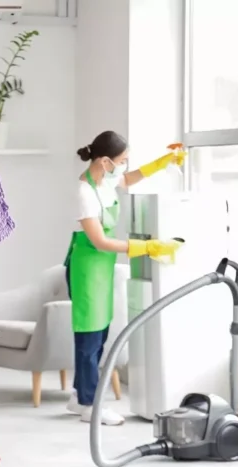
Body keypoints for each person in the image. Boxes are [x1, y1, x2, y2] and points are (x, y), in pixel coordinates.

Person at [65, 130, 185, 426]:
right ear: (105, 161)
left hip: (101, 267)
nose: (125, 166)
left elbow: (129, 180)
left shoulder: (106, 180)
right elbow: (99, 241)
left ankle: (79, 396)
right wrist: (146, 247)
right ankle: (91, 405)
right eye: (122, 160)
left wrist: (165, 161)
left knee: (99, 332)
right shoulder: (84, 191)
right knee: (90, 336)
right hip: (87, 265)